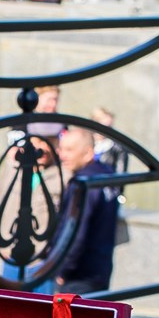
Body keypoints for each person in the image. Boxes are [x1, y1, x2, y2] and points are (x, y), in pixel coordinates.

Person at [54, 121, 122, 294]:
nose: (63, 155)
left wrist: (62, 268)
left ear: (88, 154)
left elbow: (76, 231)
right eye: (62, 149)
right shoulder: (107, 176)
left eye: (70, 150)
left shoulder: (84, 183)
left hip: (79, 274)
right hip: (100, 268)